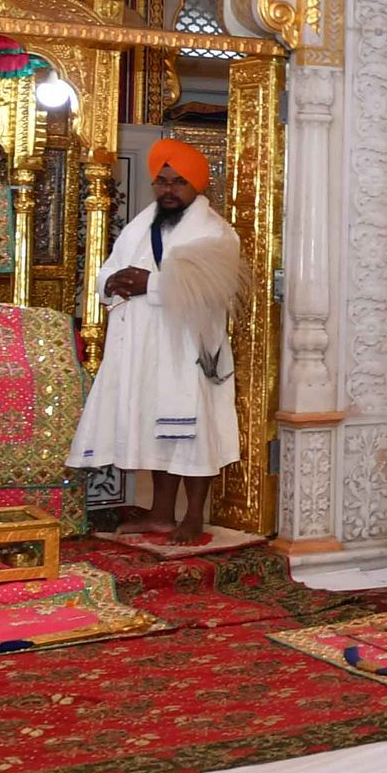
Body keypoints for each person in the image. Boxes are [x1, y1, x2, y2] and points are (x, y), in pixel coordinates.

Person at [69, 139, 245, 543]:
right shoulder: (139, 225)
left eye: (178, 182)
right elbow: (108, 269)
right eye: (162, 181)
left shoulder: (216, 232)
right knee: (156, 429)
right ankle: (161, 514)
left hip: (188, 349)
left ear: (196, 185)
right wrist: (111, 282)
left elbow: (214, 290)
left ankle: (193, 516)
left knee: (194, 434)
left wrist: (150, 284)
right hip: (142, 348)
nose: (168, 189)